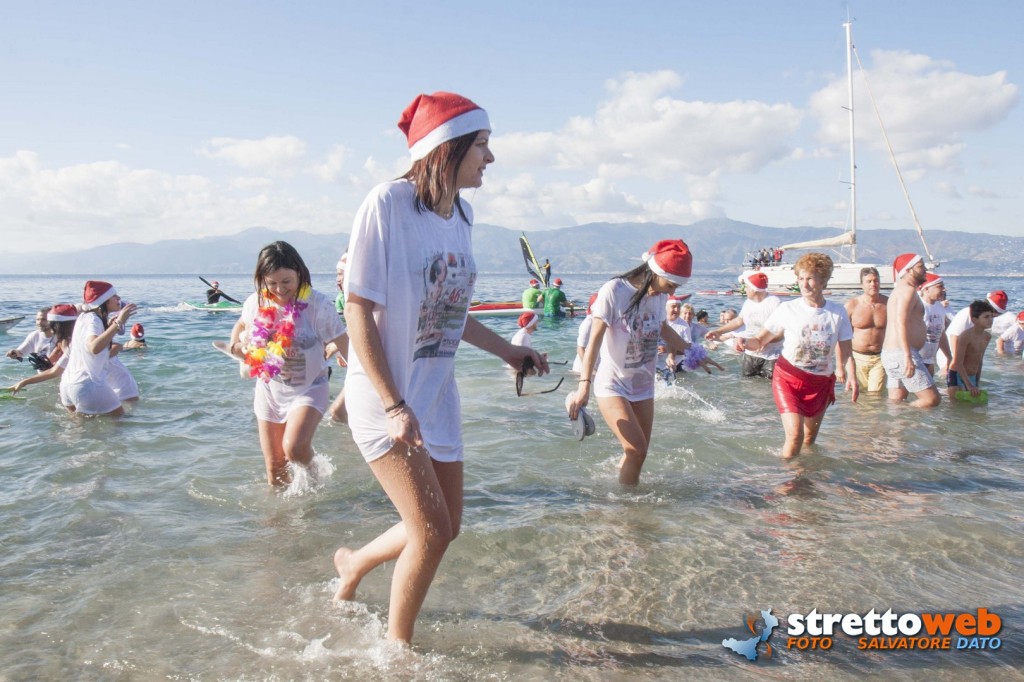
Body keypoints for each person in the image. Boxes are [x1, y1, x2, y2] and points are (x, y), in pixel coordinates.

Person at [331, 92, 547, 644]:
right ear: (446, 149)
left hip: (436, 396)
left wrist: (508, 351)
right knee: (428, 533)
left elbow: (450, 312)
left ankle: (354, 564)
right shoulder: (387, 204)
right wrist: (393, 404)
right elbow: (356, 309)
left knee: (446, 527)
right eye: (482, 145)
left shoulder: (464, 215)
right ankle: (396, 651)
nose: (490, 159)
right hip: (387, 396)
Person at [568, 239, 715, 485]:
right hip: (612, 384)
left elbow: (663, 328)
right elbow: (593, 341)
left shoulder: (657, 296)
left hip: (643, 385)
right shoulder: (614, 291)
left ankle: (617, 488)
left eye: (675, 288)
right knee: (636, 451)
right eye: (669, 285)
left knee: (639, 453)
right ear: (654, 272)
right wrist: (584, 385)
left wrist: (693, 351)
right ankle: (627, 512)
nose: (670, 293)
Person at [225, 241, 347, 485]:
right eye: (271, 283)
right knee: (275, 468)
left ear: (299, 275)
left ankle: (319, 475)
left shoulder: (319, 306)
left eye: (286, 282)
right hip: (270, 389)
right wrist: (237, 348)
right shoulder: (256, 303)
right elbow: (241, 325)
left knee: (295, 448)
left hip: (310, 387)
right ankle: (281, 520)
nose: (279, 290)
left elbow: (347, 345)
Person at [740, 253, 857, 459]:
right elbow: (760, 341)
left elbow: (846, 351)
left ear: (823, 280)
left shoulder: (837, 312)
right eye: (801, 279)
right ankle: (785, 486)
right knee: (795, 436)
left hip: (820, 382)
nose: (805, 284)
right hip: (789, 378)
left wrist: (852, 377)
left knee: (809, 439)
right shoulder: (788, 309)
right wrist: (742, 342)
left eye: (810, 278)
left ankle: (803, 476)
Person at [62, 281, 138, 417]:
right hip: (87, 384)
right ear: (104, 300)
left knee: (78, 432)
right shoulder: (93, 319)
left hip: (68, 384)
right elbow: (94, 348)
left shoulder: (84, 317)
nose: (119, 298)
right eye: (114, 295)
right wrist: (118, 323)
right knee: (120, 424)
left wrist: (109, 327)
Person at [880, 254, 941, 408]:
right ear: (908, 270)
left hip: (893, 354)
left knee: (897, 403)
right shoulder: (907, 290)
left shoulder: (902, 290)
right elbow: (900, 322)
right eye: (920, 266)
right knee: (931, 399)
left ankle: (891, 431)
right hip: (901, 354)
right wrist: (907, 357)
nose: (925, 269)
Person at [707, 271, 782, 378]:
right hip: (750, 353)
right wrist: (718, 331)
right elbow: (739, 321)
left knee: (767, 388)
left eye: (746, 287)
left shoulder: (774, 303)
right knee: (747, 383)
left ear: (754, 289)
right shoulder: (748, 303)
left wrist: (765, 341)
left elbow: (781, 332)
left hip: (771, 355)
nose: (744, 289)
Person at [6, 304, 77, 395]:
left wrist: (24, 382)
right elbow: (21, 352)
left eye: (44, 319)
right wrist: (15, 353)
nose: (39, 322)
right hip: (44, 379)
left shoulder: (65, 340)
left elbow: (55, 370)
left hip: (62, 379)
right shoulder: (35, 336)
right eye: (38, 319)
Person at [845, 267, 889, 393]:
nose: (873, 284)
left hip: (880, 357)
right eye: (868, 281)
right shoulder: (852, 305)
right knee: (858, 395)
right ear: (861, 284)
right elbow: (841, 336)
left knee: (875, 396)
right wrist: (842, 365)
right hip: (857, 357)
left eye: (876, 281)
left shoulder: (888, 304)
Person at [945, 290, 1008, 376]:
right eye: (996, 314)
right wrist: (954, 361)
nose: (993, 318)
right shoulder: (967, 313)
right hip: (951, 356)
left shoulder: (983, 320)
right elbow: (954, 336)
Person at [947, 300, 997, 400]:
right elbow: (957, 362)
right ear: (974, 320)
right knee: (957, 407)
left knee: (973, 409)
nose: (990, 320)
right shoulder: (966, 336)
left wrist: (977, 382)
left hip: (972, 376)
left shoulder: (987, 336)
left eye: (992, 316)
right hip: (957, 374)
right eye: (986, 317)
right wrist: (969, 385)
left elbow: (980, 360)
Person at [917, 273, 951, 375]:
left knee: (930, 388)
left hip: (929, 360)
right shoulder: (918, 306)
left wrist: (949, 357)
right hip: (915, 359)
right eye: (939, 286)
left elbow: (941, 334)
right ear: (926, 289)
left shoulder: (939, 307)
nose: (943, 289)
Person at [572, 293, 600, 373]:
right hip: (581, 369)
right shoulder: (588, 323)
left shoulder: (599, 321)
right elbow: (580, 349)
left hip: (594, 365)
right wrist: (590, 369)